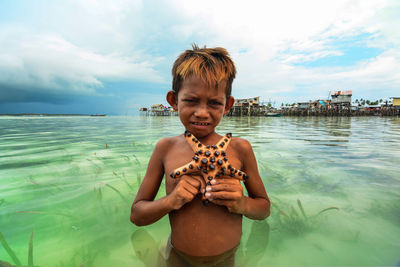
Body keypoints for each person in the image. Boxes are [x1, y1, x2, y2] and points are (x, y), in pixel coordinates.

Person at [130, 44, 270, 267]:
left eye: (214, 103)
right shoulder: (165, 148)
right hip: (177, 257)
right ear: (174, 100)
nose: (202, 112)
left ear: (228, 105)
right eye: (191, 100)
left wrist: (242, 203)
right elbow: (137, 215)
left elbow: (264, 209)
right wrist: (170, 201)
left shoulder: (241, 148)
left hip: (227, 258)